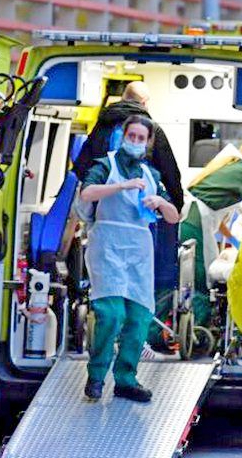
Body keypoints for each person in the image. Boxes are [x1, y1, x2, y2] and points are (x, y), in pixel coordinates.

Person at [80, 115, 180, 402]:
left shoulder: (152, 176)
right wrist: (121, 187)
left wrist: (160, 202)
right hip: (108, 247)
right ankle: (96, 376)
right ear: (122, 136)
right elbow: (88, 192)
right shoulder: (105, 165)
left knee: (140, 316)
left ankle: (126, 379)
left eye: (140, 138)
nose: (135, 142)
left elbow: (173, 216)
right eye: (131, 136)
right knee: (112, 314)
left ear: (148, 143)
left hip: (138, 251)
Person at [176, 133, 242, 328]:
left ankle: (196, 324)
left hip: (193, 217)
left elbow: (220, 213)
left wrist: (231, 238)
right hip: (197, 219)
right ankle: (199, 326)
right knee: (202, 274)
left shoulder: (231, 164)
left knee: (197, 270)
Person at [73, 81, 184, 212]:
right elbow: (169, 171)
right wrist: (177, 205)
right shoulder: (151, 129)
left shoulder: (103, 124)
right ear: (144, 102)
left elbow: (82, 164)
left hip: (101, 199)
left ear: (123, 97)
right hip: (138, 203)